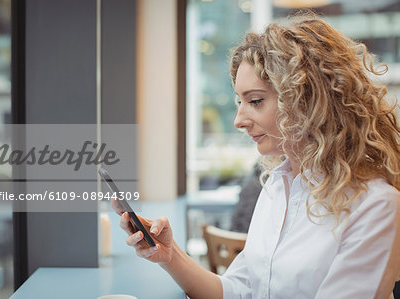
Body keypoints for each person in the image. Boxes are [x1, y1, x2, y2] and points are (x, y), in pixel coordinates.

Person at [112, 13, 400, 299]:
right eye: (240, 102)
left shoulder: (375, 205)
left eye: (255, 101)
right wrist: (169, 254)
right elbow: (237, 291)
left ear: (306, 100)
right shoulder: (278, 187)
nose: (238, 120)